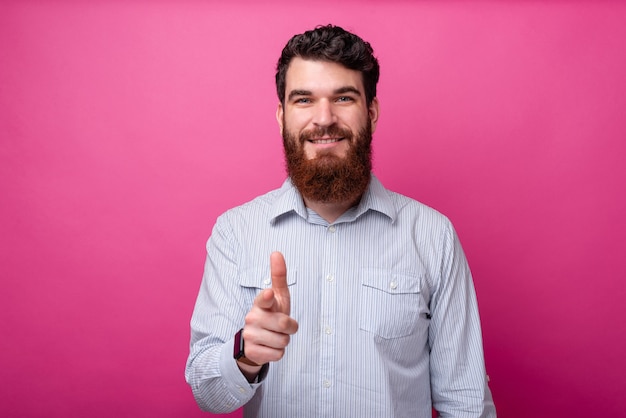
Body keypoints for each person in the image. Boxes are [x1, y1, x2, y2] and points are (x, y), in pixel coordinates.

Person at [185, 24, 496, 418]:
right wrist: (245, 354)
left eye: (344, 97)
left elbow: (467, 404)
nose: (324, 118)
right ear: (282, 115)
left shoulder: (434, 237)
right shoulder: (235, 233)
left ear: (372, 111)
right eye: (303, 100)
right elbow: (207, 395)